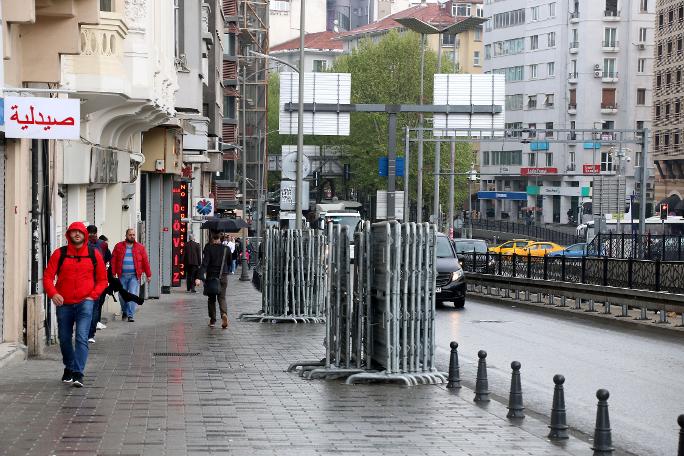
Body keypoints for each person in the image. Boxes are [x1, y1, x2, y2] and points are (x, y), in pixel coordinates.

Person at [43, 222, 108, 387]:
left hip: (85, 303)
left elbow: (102, 281)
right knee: (64, 339)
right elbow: (47, 277)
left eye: (80, 232)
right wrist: (53, 293)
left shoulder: (95, 254)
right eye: (74, 232)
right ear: (68, 235)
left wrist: (92, 297)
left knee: (81, 337)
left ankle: (78, 373)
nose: (77, 234)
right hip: (64, 303)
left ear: (85, 235)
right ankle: (69, 366)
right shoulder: (60, 254)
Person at [111, 228, 152, 322]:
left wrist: (148, 274)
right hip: (122, 275)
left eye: (133, 235)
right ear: (126, 235)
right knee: (122, 295)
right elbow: (113, 260)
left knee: (132, 294)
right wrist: (113, 273)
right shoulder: (119, 246)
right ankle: (124, 311)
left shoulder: (140, 247)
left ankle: (130, 315)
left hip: (134, 276)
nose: (132, 236)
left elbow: (145, 262)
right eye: (130, 234)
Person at [196, 233, 230, 328]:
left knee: (211, 299)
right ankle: (224, 314)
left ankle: (212, 320)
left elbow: (204, 264)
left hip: (211, 278)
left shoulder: (208, 248)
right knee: (222, 297)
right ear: (220, 238)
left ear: (212, 238)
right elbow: (230, 261)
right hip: (223, 277)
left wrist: (199, 277)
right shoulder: (226, 249)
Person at [86, 225, 112, 343]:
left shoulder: (82, 243)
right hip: (98, 281)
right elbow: (107, 260)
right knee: (95, 308)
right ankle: (90, 334)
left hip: (85, 280)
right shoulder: (103, 244)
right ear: (97, 232)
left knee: (85, 308)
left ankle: (85, 332)